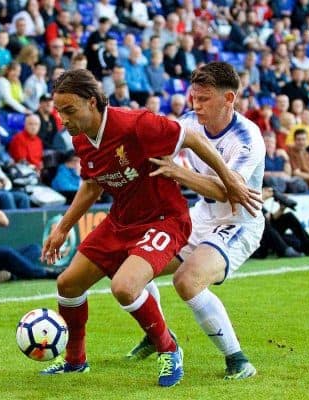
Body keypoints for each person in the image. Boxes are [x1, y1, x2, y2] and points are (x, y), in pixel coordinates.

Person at [39, 68, 258, 387]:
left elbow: (193, 138)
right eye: (58, 111)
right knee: (68, 284)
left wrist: (228, 180)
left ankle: (168, 348)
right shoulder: (81, 137)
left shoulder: (136, 124)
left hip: (164, 219)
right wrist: (62, 228)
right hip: (122, 221)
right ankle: (75, 361)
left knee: (125, 286)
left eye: (69, 110)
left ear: (92, 102)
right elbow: (91, 185)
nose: (63, 118)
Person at [127, 62, 265, 380]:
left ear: (228, 98)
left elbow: (230, 192)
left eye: (203, 99)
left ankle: (238, 360)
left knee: (187, 281)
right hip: (200, 216)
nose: (195, 105)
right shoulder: (188, 121)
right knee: (134, 265)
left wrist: (179, 172)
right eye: (193, 97)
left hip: (239, 222)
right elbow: (154, 148)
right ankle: (157, 334)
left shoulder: (248, 138)